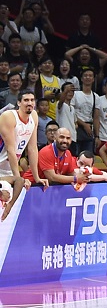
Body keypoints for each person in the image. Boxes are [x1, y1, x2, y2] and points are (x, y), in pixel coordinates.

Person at [0, 89, 38, 218]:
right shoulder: (9, 116)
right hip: (3, 165)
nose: (29, 103)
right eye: (26, 100)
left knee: (10, 195)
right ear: (19, 103)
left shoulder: (34, 117)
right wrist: (18, 178)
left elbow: (32, 148)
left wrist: (36, 177)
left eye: (32, 100)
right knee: (9, 191)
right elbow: (11, 149)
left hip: (8, 169)